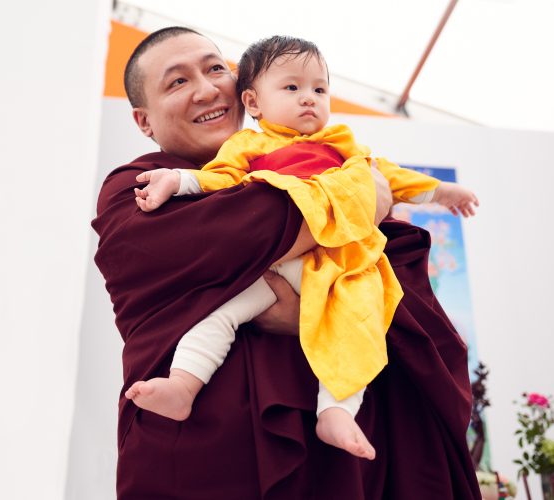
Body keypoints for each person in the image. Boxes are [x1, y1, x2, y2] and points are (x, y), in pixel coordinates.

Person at [92, 26, 482, 499]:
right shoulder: (137, 187)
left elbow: (395, 287)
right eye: (177, 82)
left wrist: (324, 307)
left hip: (341, 462)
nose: (207, 88)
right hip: (205, 454)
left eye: (216, 69)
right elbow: (238, 232)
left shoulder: (329, 163)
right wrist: (362, 200)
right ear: (143, 120)